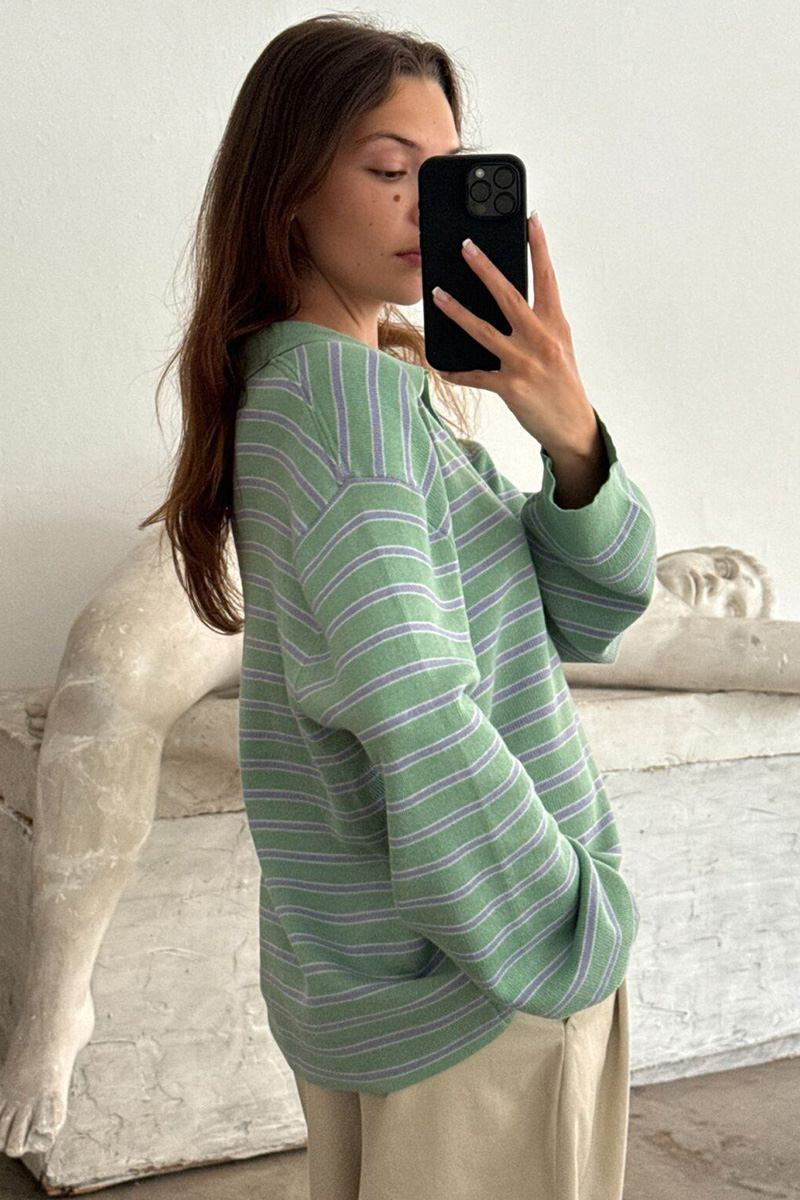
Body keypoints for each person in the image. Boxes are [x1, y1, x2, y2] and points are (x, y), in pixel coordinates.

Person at [3, 15, 660, 1197]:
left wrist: (567, 431)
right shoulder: (345, 409)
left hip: (396, 971)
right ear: (288, 192)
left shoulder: (348, 389)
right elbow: (411, 704)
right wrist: (560, 926)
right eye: (389, 169)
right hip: (480, 984)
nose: (426, 205)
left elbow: (581, 610)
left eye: (445, 173)